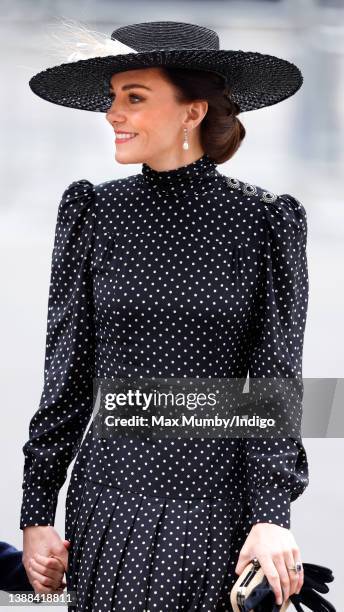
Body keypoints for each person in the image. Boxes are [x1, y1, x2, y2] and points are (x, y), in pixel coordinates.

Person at [20, 19, 309, 611]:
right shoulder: (91, 210)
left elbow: (273, 384)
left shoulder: (265, 222)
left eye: (134, 98)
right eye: (112, 99)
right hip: (108, 503)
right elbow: (67, 376)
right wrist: (36, 514)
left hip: (216, 512)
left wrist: (272, 517)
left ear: (192, 111)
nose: (112, 115)